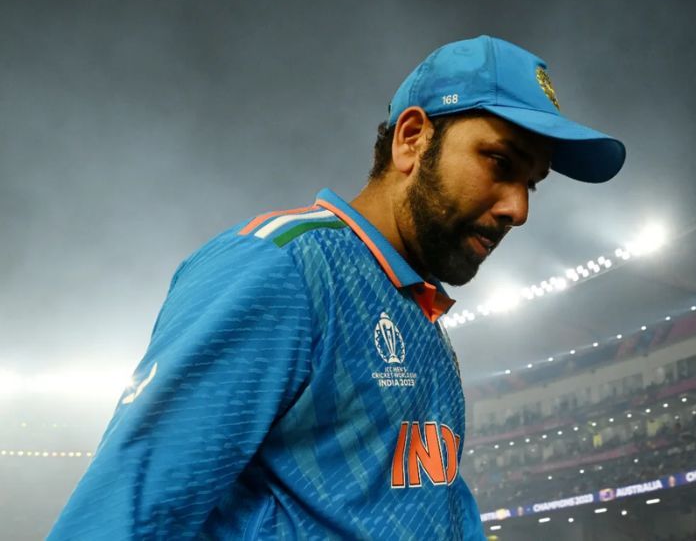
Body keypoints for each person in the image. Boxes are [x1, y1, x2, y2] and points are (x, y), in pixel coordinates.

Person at [48, 35, 625, 540]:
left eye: (532, 184)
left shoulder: (423, 318)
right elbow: (121, 516)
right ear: (412, 138)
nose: (519, 209)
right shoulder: (283, 267)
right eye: (499, 162)